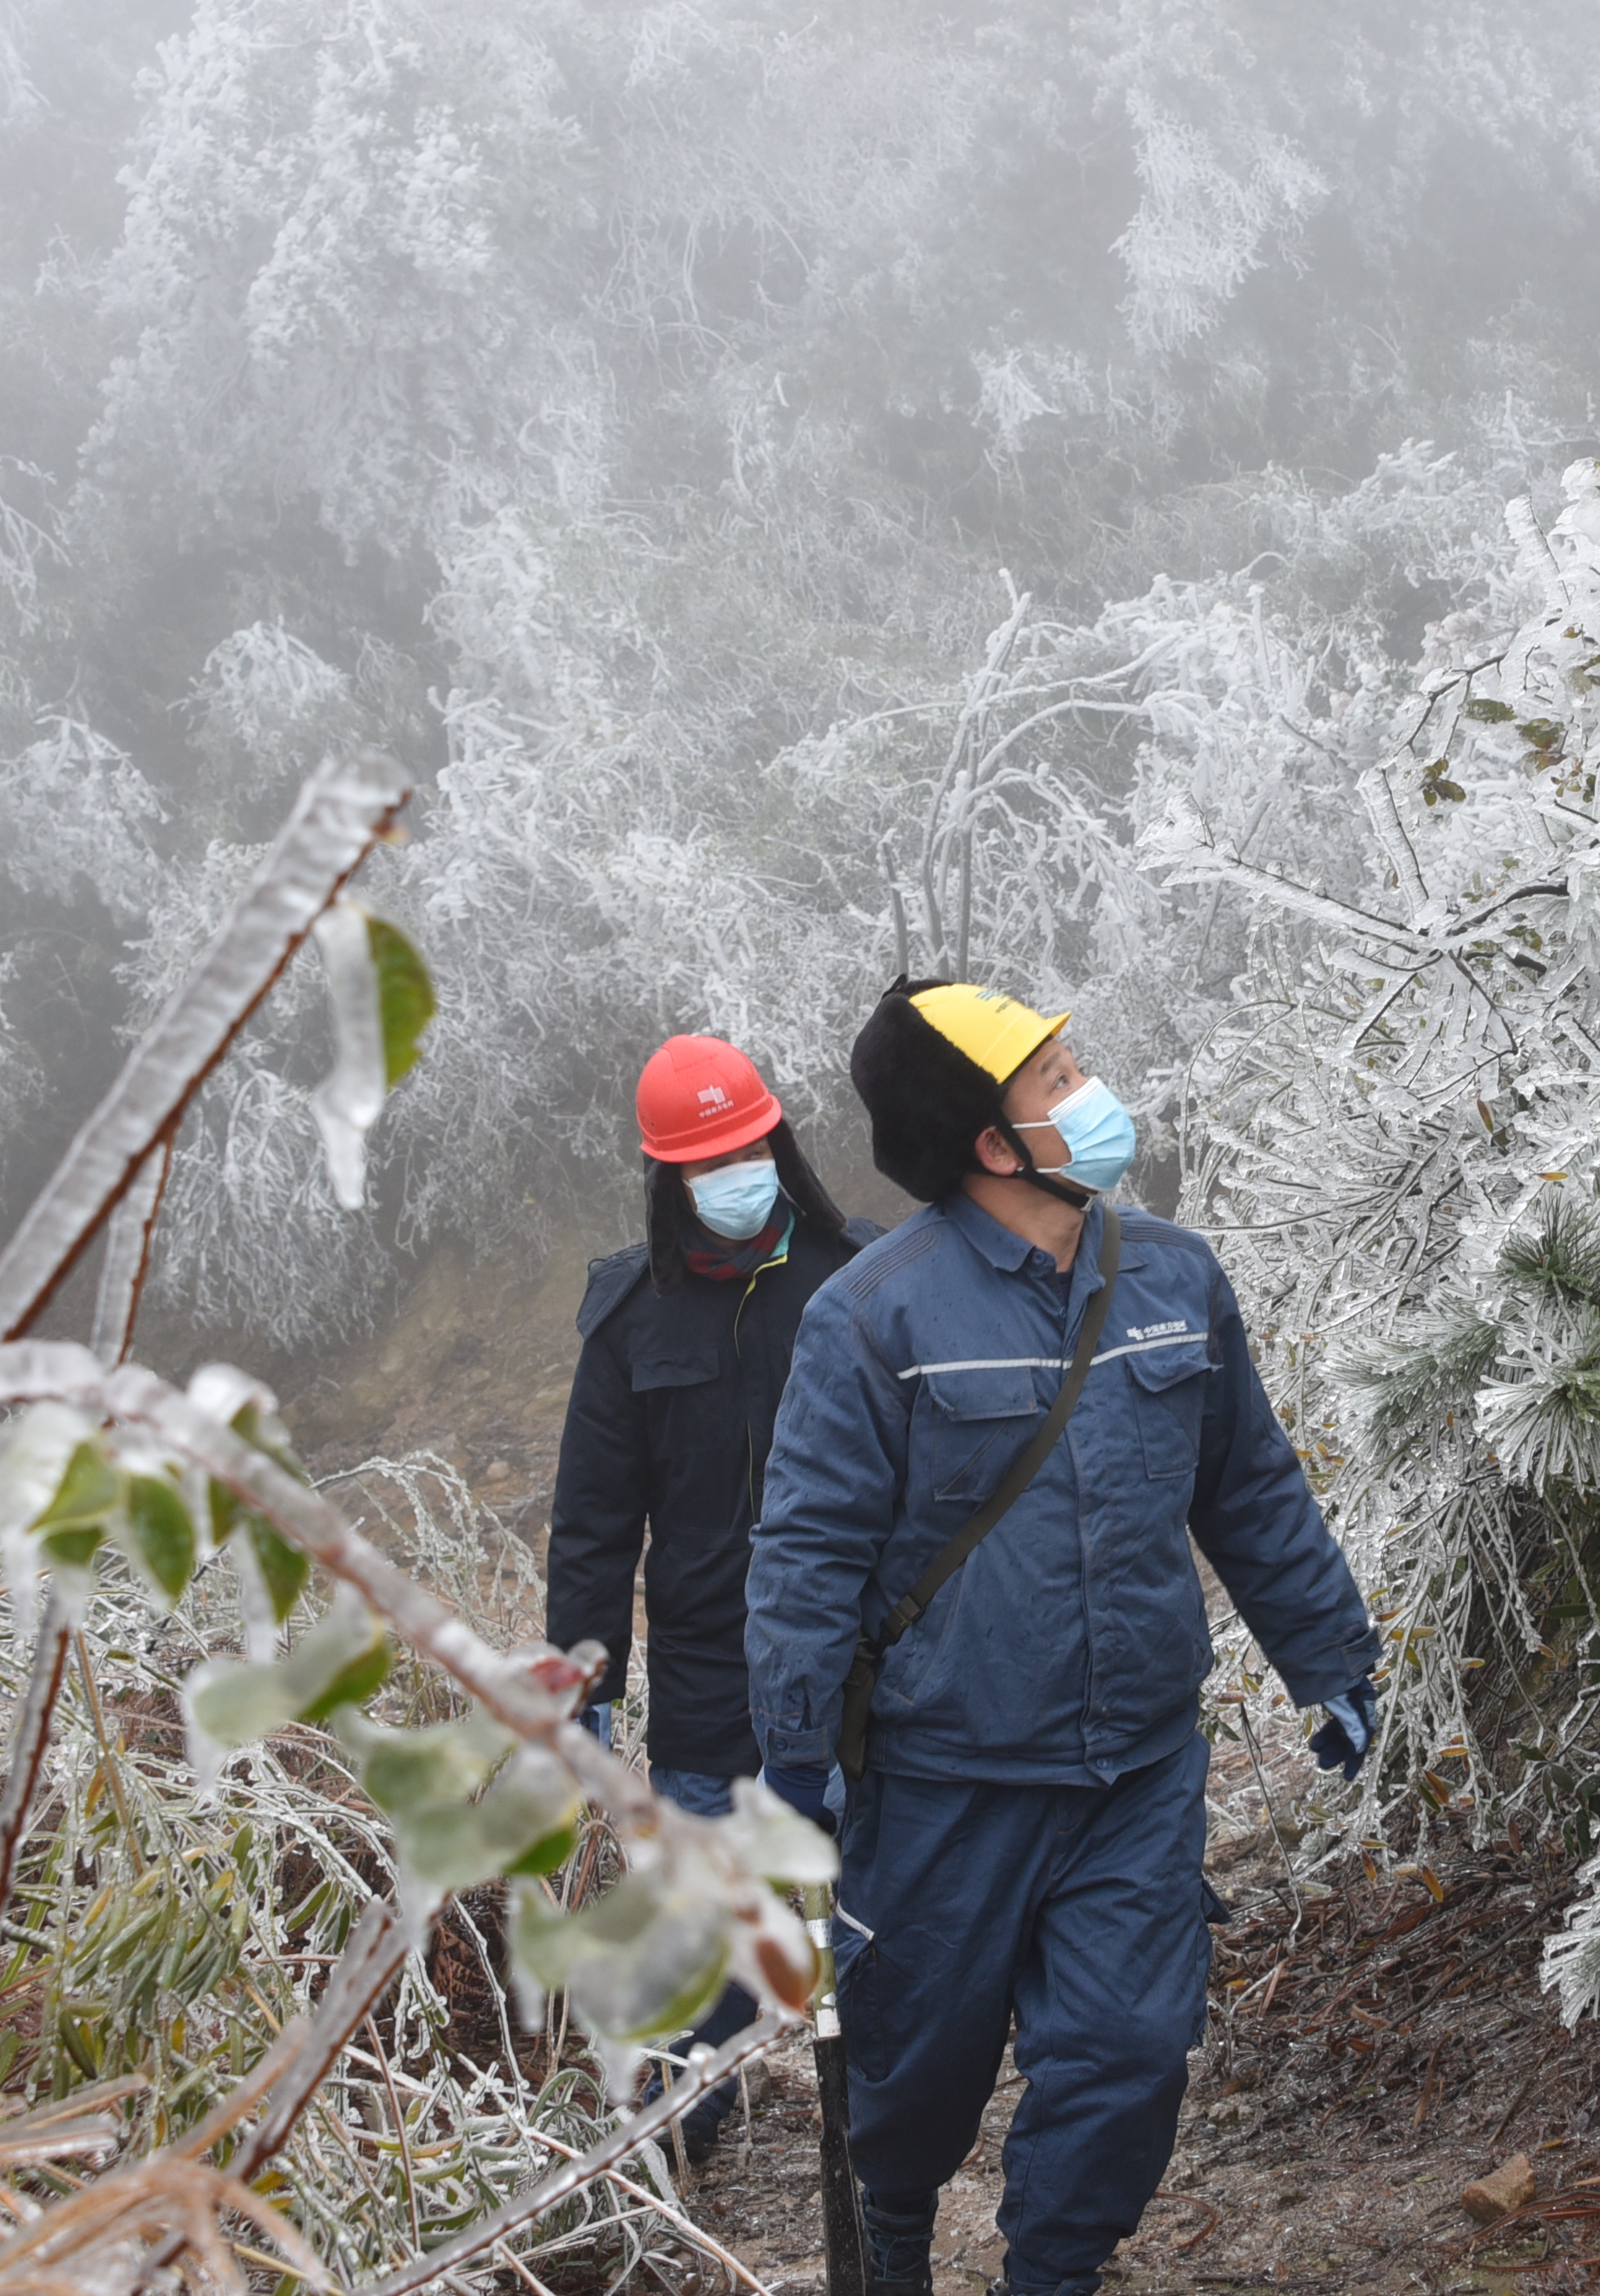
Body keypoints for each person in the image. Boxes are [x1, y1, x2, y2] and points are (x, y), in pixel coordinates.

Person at [746, 978, 1379, 2296]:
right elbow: (808, 1552)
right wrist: (796, 1759)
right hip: (942, 1783)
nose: (1089, 1092)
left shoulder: (1173, 1277)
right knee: (912, 2075)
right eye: (1055, 1078)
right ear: (990, 1141)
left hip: (1135, 1775)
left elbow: (1248, 1484)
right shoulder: (873, 1319)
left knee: (1129, 2057)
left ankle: (1053, 2272)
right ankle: (898, 2239)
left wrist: (1329, 1657)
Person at [543, 1030, 876, 2164]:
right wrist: (584, 1672)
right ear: (668, 1178)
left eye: (750, 1149)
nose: (735, 1177)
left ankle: (880, 2144)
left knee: (880, 1913)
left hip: (863, 1675)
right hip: (708, 1680)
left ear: (778, 1143)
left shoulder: (862, 1279)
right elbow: (595, 1516)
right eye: (706, 1162)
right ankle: (676, 2139)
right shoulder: (631, 1317)